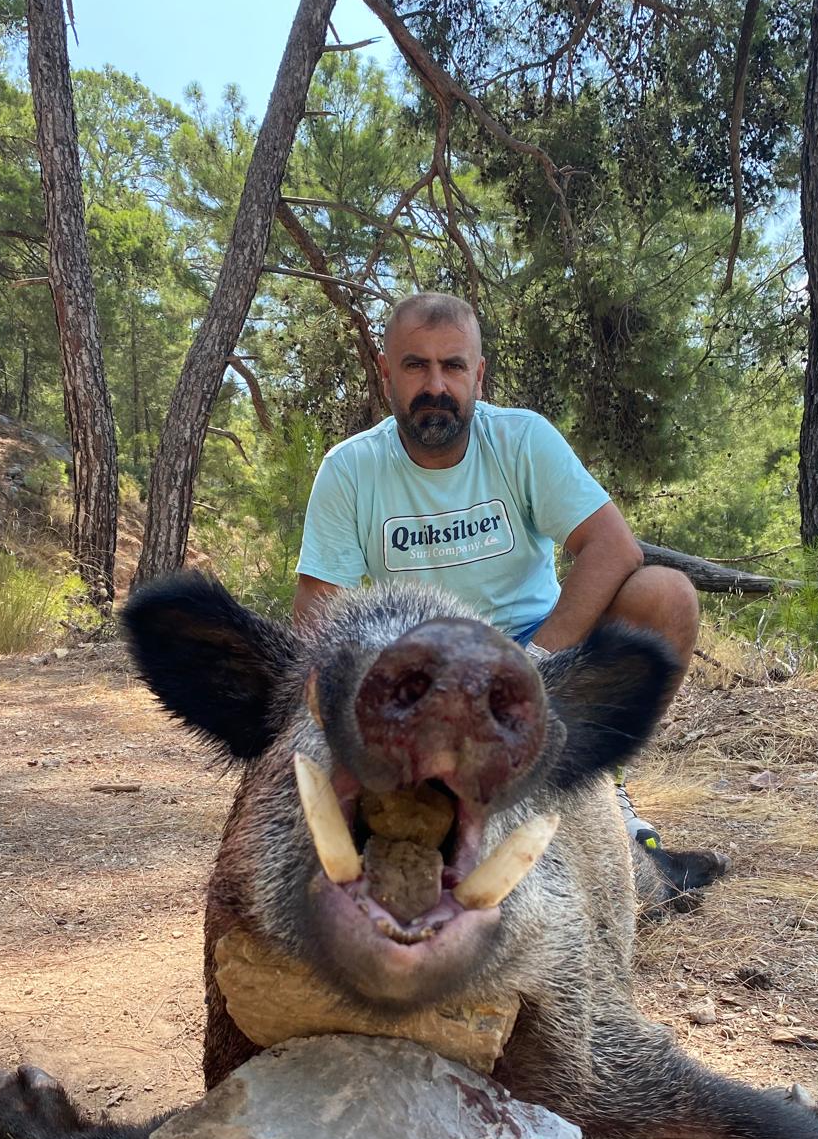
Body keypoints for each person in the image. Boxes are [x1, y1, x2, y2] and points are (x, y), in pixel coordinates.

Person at [293, 292, 699, 848]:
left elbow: (613, 546)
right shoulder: (350, 469)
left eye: (453, 366)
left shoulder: (522, 439)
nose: (436, 385)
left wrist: (534, 666)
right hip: (420, 671)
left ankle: (601, 785)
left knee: (667, 595)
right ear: (386, 373)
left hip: (539, 651)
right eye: (415, 365)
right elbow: (318, 613)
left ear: (478, 376)